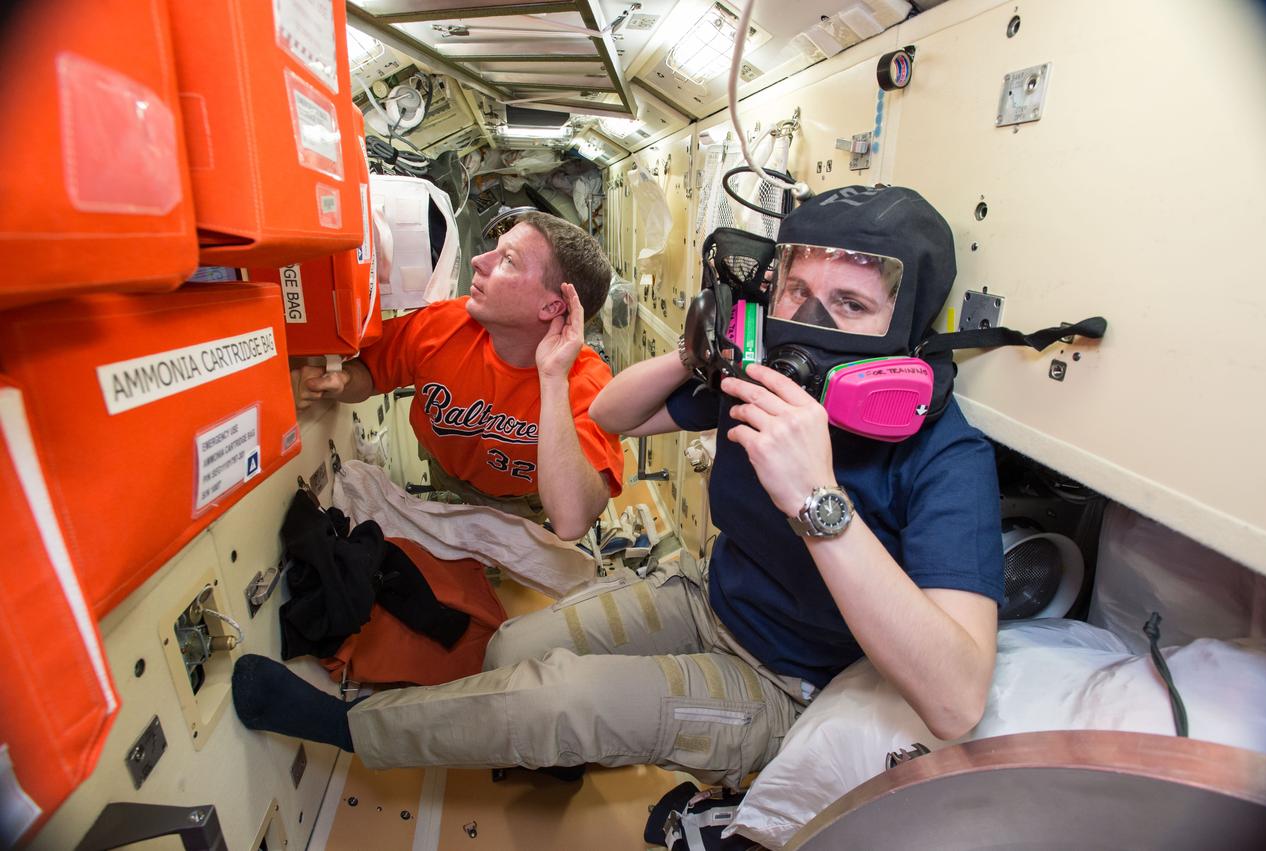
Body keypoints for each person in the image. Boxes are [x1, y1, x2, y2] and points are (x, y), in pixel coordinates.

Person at [232, 186, 1003, 789]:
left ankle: (351, 726)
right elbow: (610, 412)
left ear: (903, 328)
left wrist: (817, 500)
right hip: (706, 600)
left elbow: (954, 698)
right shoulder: (760, 377)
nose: (808, 320)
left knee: (557, 702)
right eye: (794, 292)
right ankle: (559, 750)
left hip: (786, 680)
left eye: (850, 305)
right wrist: (699, 349)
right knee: (512, 642)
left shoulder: (944, 453)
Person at [294, 211, 621, 540]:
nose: (479, 260)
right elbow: (370, 373)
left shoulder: (587, 383)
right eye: (495, 248)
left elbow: (572, 520)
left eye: (507, 260)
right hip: (442, 479)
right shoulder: (446, 325)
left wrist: (553, 379)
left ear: (551, 308)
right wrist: (343, 381)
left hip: (517, 507)